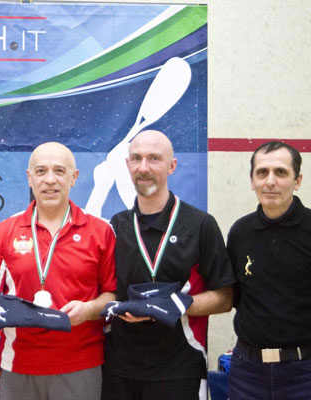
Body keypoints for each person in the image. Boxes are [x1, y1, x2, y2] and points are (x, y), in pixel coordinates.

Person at [0, 142, 116, 400]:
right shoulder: (4, 232)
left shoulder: (100, 231)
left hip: (80, 364)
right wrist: (5, 309)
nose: (50, 180)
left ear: (74, 177)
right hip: (18, 363)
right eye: (41, 171)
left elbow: (112, 295)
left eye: (59, 171)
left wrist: (89, 310)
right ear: (30, 178)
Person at [102, 130, 235, 400]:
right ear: (127, 165)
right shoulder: (114, 226)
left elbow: (225, 298)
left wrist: (173, 306)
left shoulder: (200, 224)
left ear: (172, 166)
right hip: (118, 369)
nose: (143, 167)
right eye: (136, 158)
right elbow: (106, 292)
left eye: (154, 158)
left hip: (180, 368)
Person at [227, 141, 311, 399]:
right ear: (252, 181)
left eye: (281, 172)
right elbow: (235, 296)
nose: (270, 181)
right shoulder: (240, 232)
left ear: (297, 181)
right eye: (262, 172)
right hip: (247, 372)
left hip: (304, 373)